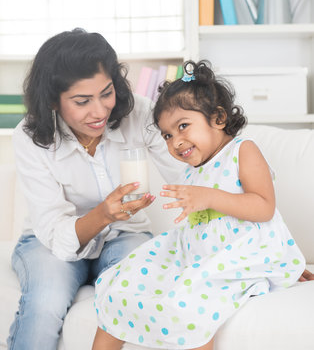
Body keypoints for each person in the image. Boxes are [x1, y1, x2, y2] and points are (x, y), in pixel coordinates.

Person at [93, 60, 308, 350]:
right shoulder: (192, 170)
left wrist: (208, 198)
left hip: (239, 252)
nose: (175, 142)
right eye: (167, 135)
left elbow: (263, 207)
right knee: (120, 286)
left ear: (218, 118)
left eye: (183, 126)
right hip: (195, 253)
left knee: (188, 306)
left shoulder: (242, 151)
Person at [7, 28, 184, 350]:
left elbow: (191, 176)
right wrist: (102, 214)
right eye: (81, 101)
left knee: (138, 293)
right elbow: (54, 229)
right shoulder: (30, 137)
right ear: (53, 101)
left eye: (106, 93)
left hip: (125, 233)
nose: (100, 110)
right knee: (45, 302)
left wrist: (261, 249)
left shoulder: (141, 113)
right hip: (50, 243)